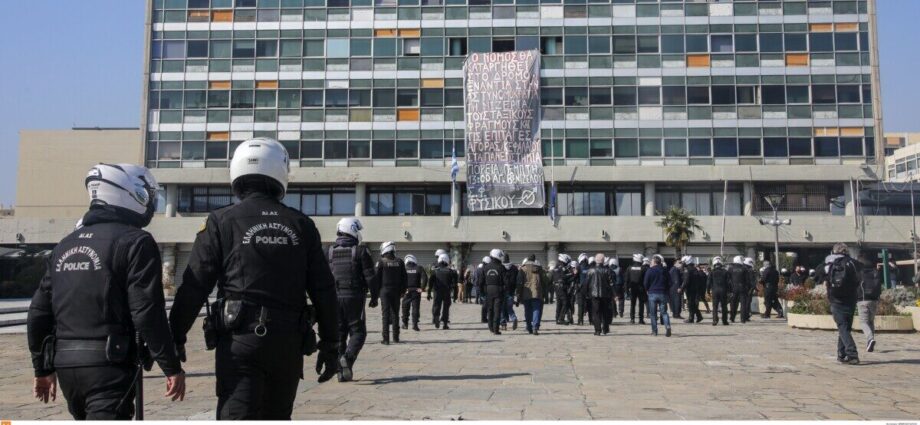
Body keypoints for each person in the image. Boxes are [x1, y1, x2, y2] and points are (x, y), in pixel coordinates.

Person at [169, 139, 340, 418]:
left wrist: (175, 338)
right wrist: (331, 344)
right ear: (281, 172)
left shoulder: (220, 220)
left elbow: (195, 285)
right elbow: (324, 289)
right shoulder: (302, 224)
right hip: (287, 342)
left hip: (239, 340)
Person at [28, 164, 185, 420]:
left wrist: (42, 369)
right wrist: (171, 365)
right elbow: (146, 311)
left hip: (66, 365)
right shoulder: (136, 241)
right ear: (129, 193)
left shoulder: (65, 245)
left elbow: (38, 313)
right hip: (110, 366)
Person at [815, 243, 861, 364]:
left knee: (842, 327)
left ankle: (852, 354)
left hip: (835, 299)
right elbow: (859, 279)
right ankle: (841, 354)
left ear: (834, 251)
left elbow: (817, 274)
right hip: (851, 298)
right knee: (845, 327)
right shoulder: (853, 263)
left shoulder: (828, 264)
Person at [372, 241, 407, 345]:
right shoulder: (400, 262)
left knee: (385, 315)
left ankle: (386, 339)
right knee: (395, 314)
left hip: (384, 291)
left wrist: (376, 292)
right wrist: (403, 291)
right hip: (396, 291)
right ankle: (396, 338)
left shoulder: (381, 262)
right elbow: (404, 278)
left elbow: (376, 278)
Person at [856, 253, 882, 353]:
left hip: (862, 299)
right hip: (874, 300)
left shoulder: (859, 272)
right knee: (870, 321)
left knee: (863, 322)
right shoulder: (875, 271)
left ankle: (870, 338)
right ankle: (869, 343)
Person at [517, 255, 547, 335]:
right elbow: (544, 281)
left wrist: (518, 293)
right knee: (536, 309)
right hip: (537, 292)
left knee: (527, 310)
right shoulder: (539, 269)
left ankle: (529, 327)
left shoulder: (523, 269)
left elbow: (519, 282)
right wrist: (545, 293)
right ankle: (535, 327)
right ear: (534, 260)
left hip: (526, 292)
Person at [643, 255, 672, 337]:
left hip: (652, 293)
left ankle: (654, 331)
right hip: (663, 293)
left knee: (653, 314)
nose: (650, 263)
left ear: (654, 262)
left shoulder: (650, 270)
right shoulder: (665, 270)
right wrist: (666, 290)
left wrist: (647, 289)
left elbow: (645, 282)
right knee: (664, 312)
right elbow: (670, 282)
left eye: (651, 261)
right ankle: (667, 326)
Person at [585, 254, 614, 336]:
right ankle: (605, 329)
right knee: (605, 312)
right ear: (603, 261)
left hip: (594, 294)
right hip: (605, 294)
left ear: (595, 260)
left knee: (596, 312)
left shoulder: (590, 270)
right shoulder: (607, 270)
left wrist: (586, 293)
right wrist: (614, 293)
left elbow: (586, 283)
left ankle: (597, 330)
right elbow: (611, 283)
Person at [428, 253, 458, 330]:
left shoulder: (435, 271)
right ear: (447, 260)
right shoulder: (451, 271)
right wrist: (455, 296)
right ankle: (445, 324)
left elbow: (430, 283)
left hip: (437, 291)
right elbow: (455, 285)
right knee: (446, 307)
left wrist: (429, 293)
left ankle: (436, 318)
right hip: (447, 292)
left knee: (436, 305)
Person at [483, 249, 507, 335]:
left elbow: (482, 280)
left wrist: (483, 291)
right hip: (498, 290)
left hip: (488, 290)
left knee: (490, 309)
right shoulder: (501, 267)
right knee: (497, 310)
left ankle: (491, 328)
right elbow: (505, 281)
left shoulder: (486, 267)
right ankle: (496, 329)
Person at [402, 255, 427, 332]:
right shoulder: (419, 268)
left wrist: (401, 290)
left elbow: (398, 279)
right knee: (415, 308)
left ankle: (405, 324)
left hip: (407, 291)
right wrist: (422, 288)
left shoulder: (403, 268)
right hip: (416, 290)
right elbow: (425, 278)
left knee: (405, 308)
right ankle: (415, 325)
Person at [707, 257, 731, 326]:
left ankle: (715, 320)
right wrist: (729, 291)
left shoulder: (711, 272)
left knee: (715, 306)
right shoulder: (725, 272)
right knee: (724, 306)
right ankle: (724, 321)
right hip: (723, 291)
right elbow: (729, 283)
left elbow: (708, 283)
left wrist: (708, 291)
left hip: (715, 291)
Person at [680, 256, 704, 323]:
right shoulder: (694, 269)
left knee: (690, 304)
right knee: (692, 303)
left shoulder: (687, 270)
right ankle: (698, 316)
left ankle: (691, 318)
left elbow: (686, 280)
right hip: (695, 288)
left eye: (683, 262)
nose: (682, 263)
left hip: (690, 289)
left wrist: (681, 288)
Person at [626, 254, 648, 325]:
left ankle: (632, 319)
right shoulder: (643, 268)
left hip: (632, 288)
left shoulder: (629, 268)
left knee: (632, 304)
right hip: (641, 288)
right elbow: (646, 280)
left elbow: (627, 280)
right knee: (641, 304)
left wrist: (626, 290)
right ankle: (641, 319)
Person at [552, 254, 574, 325]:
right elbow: (563, 277)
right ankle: (561, 319)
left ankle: (557, 319)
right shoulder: (561, 267)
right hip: (561, 287)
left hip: (557, 287)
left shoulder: (556, 266)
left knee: (559, 303)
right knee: (565, 303)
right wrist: (572, 274)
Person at [500, 256, 519, 331]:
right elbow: (517, 280)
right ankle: (514, 318)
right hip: (511, 291)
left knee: (501, 308)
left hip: (502, 291)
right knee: (509, 308)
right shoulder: (514, 268)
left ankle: (503, 324)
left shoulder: (500, 267)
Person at [728, 256, 749, 323]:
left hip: (733, 288)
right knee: (743, 304)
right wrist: (747, 288)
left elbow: (728, 279)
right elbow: (747, 280)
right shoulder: (744, 268)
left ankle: (732, 317)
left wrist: (729, 289)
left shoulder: (730, 268)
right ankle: (743, 319)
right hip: (742, 287)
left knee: (733, 303)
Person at [575, 253, 590, 325]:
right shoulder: (590, 267)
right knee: (590, 304)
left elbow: (575, 277)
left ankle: (580, 320)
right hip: (589, 288)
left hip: (580, 288)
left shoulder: (578, 267)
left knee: (580, 305)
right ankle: (591, 320)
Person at [606, 258, 622, 323]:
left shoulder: (607, 270)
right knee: (613, 301)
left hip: (606, 289)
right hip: (616, 286)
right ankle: (615, 313)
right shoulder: (618, 269)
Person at [743, 257, 757, 322]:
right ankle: (746, 316)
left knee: (744, 302)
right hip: (749, 288)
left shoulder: (742, 269)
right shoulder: (750, 271)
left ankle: (745, 315)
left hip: (743, 288)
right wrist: (753, 288)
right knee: (748, 303)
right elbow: (753, 281)